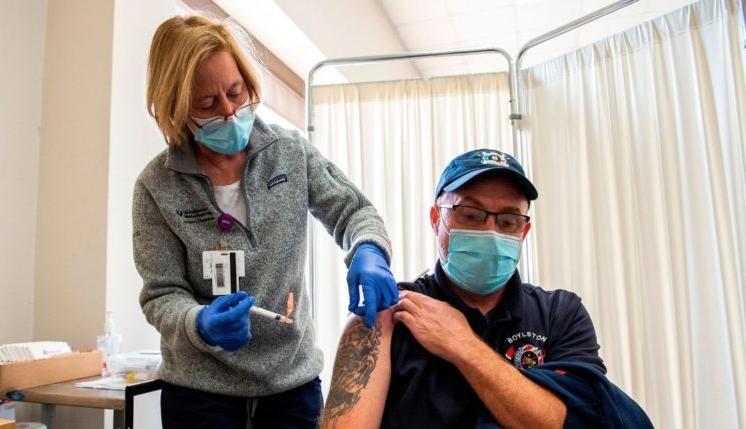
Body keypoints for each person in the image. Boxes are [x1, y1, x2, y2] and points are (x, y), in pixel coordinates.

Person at [132, 15, 398, 428]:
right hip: (201, 394)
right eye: (207, 104)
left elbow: (355, 211)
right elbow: (161, 294)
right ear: (176, 108)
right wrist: (199, 323)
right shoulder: (157, 186)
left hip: (290, 387)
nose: (229, 110)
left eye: (235, 91)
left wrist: (368, 250)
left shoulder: (289, 153)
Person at [320, 149, 652, 428]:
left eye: (507, 221)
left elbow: (573, 422)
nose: (489, 231)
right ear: (437, 219)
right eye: (470, 214)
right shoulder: (388, 314)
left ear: (524, 231)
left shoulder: (559, 314)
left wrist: (462, 344)